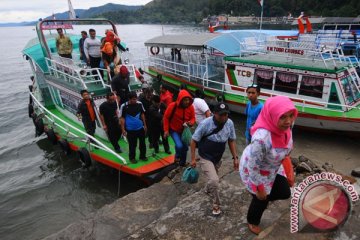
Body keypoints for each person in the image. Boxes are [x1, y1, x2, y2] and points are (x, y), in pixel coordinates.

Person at [239, 96, 298, 235]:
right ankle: (252, 220)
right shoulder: (261, 139)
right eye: (282, 117)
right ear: (272, 115)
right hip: (256, 169)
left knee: (284, 192)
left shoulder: (285, 129)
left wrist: (289, 172)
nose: (288, 121)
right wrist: (259, 189)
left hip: (273, 166)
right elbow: (253, 166)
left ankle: (262, 198)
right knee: (261, 199)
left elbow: (286, 152)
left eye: (291, 116)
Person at [190, 102, 238, 216]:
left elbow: (231, 140)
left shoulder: (229, 123)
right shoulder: (205, 123)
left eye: (226, 114)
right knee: (215, 180)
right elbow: (193, 140)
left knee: (213, 179)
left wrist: (235, 157)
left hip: (217, 156)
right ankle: (216, 205)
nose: (224, 117)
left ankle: (207, 189)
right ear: (214, 113)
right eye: (221, 114)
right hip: (205, 155)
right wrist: (192, 158)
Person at [163, 89, 195, 166]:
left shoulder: (190, 107)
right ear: (180, 100)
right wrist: (166, 130)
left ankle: (182, 163)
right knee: (179, 146)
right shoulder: (172, 106)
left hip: (184, 131)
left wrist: (190, 122)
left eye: (188, 100)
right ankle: (177, 157)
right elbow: (166, 118)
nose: (187, 102)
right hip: (174, 130)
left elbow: (193, 118)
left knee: (185, 148)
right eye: (185, 100)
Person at [120, 91, 147, 163]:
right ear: (129, 99)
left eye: (136, 99)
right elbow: (122, 118)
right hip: (130, 130)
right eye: (133, 99)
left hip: (140, 128)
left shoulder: (140, 104)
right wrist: (123, 130)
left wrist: (145, 125)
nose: (135, 100)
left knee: (142, 143)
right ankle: (132, 158)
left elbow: (142, 114)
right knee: (132, 145)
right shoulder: (124, 106)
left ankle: (142, 156)